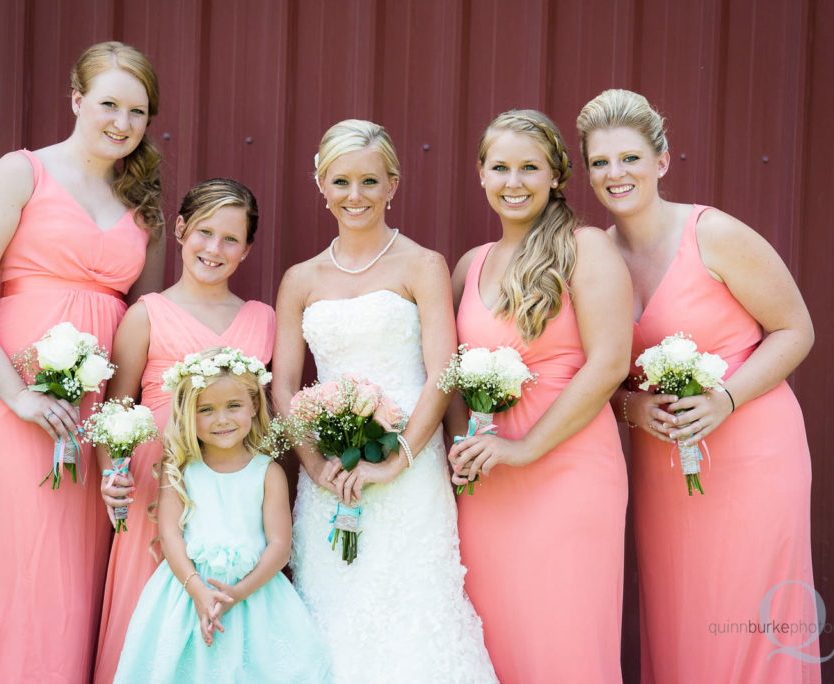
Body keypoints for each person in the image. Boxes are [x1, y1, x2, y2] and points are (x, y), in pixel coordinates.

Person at [0, 41, 165, 683]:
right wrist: (18, 396)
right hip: (21, 392)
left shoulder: (140, 200)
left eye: (138, 112)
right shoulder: (22, 173)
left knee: (79, 568)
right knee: (22, 561)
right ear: (76, 100)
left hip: (98, 405)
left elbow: (142, 315)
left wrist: (127, 419)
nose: (122, 123)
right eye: (109, 104)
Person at [577, 88, 820, 682]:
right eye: (600, 162)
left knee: (753, 620)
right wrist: (631, 407)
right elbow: (589, 369)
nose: (616, 174)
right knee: (681, 619)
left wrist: (726, 398)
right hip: (665, 463)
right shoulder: (594, 256)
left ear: (662, 160)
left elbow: (796, 330)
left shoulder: (715, 235)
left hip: (754, 452)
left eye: (630, 157)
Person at [272, 119, 496, 683]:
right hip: (329, 478)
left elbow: (442, 372)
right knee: (334, 608)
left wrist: (398, 459)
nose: (355, 196)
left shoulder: (422, 266)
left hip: (409, 471)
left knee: (414, 611)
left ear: (393, 184)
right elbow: (284, 384)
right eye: (340, 181)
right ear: (320, 184)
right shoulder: (300, 279)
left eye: (369, 181)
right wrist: (318, 466)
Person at [446, 109, 632, 682]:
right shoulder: (468, 265)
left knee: (565, 639)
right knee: (498, 638)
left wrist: (524, 448)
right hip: (489, 480)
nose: (514, 181)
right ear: (480, 174)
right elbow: (451, 374)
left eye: (530, 167)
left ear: (555, 175)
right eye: (500, 167)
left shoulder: (586, 248)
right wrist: (463, 445)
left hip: (569, 469)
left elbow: (608, 365)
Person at [94, 178, 275, 683]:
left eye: (231, 239)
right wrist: (114, 477)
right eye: (204, 232)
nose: (214, 249)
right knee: (148, 611)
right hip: (158, 483)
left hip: (228, 493)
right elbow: (115, 415)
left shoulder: (262, 319)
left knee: (221, 614)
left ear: (247, 248)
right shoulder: (146, 315)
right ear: (179, 230)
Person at [113, 347, 331, 682]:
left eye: (233, 406)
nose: (222, 419)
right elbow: (170, 535)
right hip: (188, 592)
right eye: (207, 410)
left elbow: (278, 545)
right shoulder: (179, 470)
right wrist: (198, 590)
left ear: (254, 405)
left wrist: (237, 594)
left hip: (253, 594)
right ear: (189, 413)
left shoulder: (267, 472)